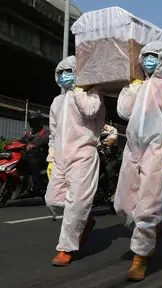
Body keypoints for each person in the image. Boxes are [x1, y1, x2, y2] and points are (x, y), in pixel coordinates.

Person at [114, 40, 162, 281]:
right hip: (132, 150)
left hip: (158, 151)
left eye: (153, 56)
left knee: (146, 207)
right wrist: (131, 88)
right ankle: (150, 232)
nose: (148, 60)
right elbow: (123, 113)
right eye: (145, 56)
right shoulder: (138, 86)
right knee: (122, 205)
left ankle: (140, 257)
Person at [44, 55, 106, 266]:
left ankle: (66, 248)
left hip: (83, 155)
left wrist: (80, 88)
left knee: (76, 203)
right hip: (61, 157)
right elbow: (53, 133)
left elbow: (90, 111)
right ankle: (85, 220)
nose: (64, 76)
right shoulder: (57, 101)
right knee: (52, 200)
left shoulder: (93, 93)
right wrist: (51, 158)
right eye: (60, 73)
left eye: (69, 71)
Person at [19, 111, 49, 196]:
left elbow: (44, 140)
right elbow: (21, 141)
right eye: (31, 121)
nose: (32, 123)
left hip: (42, 156)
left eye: (34, 121)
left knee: (34, 161)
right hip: (29, 155)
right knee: (18, 160)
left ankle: (37, 185)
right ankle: (21, 183)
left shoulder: (45, 132)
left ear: (39, 122)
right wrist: (12, 145)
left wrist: (34, 145)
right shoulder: (29, 133)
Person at [100, 122, 119, 196]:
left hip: (109, 156)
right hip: (96, 153)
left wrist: (104, 144)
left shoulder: (111, 129)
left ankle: (111, 190)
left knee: (109, 169)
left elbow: (112, 140)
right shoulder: (93, 127)